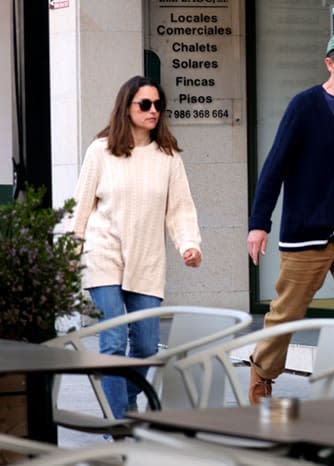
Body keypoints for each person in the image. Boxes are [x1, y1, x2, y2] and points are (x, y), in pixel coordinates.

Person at [246, 30, 334, 404]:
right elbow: (274, 166)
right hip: (306, 231)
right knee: (286, 314)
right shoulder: (304, 106)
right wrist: (259, 223)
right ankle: (262, 374)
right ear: (330, 63)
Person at [69, 75, 202, 419]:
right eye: (145, 104)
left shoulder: (168, 157)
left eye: (158, 105)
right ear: (126, 108)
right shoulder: (100, 151)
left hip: (147, 258)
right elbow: (80, 206)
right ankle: (119, 422)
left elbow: (181, 208)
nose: (153, 110)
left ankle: (126, 400)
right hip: (104, 254)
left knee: (144, 345)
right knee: (113, 342)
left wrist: (188, 244)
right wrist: (71, 250)